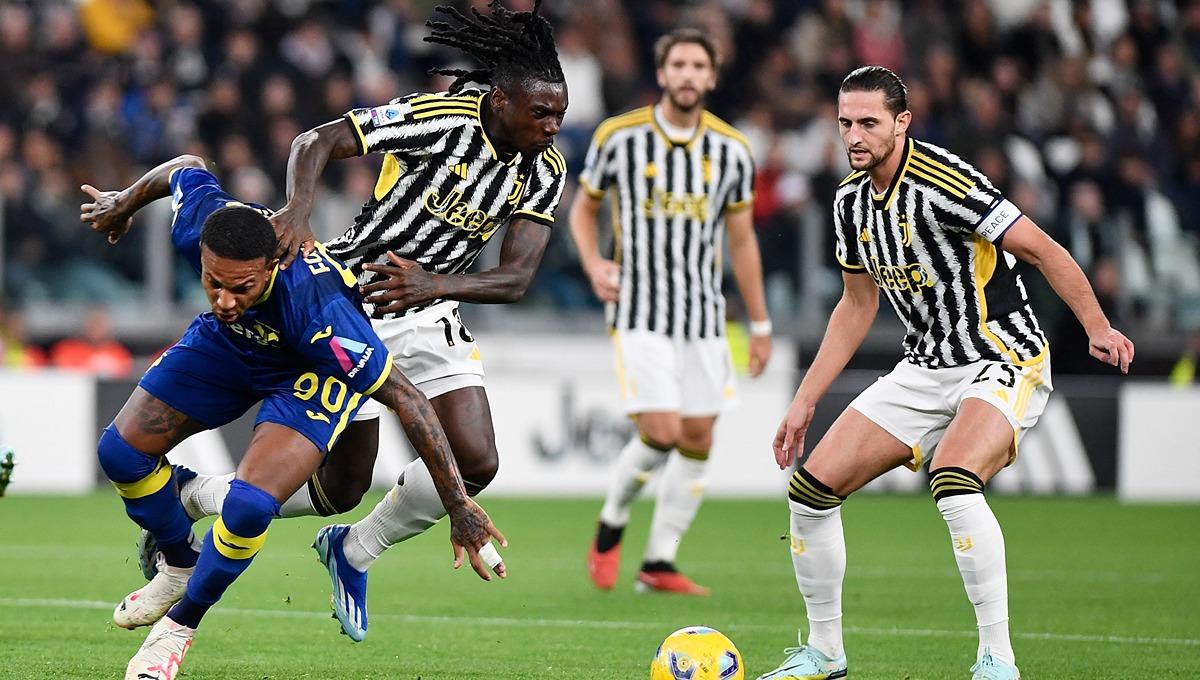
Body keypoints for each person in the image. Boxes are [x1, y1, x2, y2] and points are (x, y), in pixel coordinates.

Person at [172, 0, 568, 642]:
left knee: (477, 460)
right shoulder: (441, 118)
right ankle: (200, 496)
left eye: (560, 114)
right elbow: (317, 140)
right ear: (499, 101)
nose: (553, 127)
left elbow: (517, 277)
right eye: (541, 112)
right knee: (344, 481)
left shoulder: (545, 170)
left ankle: (354, 552)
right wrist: (299, 209)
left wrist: (433, 284)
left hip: (429, 306)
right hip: (348, 297)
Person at [756, 66, 1134, 680]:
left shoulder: (945, 180)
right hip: (925, 366)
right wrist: (804, 401)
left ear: (902, 122)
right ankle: (824, 654)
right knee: (811, 492)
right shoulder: (850, 201)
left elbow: (1041, 248)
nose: (854, 135)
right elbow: (856, 306)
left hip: (999, 356)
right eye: (846, 122)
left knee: (953, 477)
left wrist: (1098, 326)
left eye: (869, 123)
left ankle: (997, 659)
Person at [80, 154, 504, 680]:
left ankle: (178, 629)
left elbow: (409, 398)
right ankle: (178, 561)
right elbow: (184, 168)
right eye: (214, 282)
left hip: (306, 372)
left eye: (242, 287)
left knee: (252, 507)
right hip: (228, 348)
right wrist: (124, 203)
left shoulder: (324, 311)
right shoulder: (205, 224)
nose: (226, 298)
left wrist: (457, 502)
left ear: (275, 266)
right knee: (119, 454)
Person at [570, 28, 772, 596]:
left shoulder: (732, 150)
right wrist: (592, 263)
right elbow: (583, 212)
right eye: (677, 64)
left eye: (697, 66)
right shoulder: (620, 137)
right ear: (662, 74)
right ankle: (611, 524)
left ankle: (658, 561)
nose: (687, 74)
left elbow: (741, 242)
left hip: (704, 316)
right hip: (638, 310)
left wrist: (759, 324)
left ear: (712, 77)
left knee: (698, 437)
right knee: (660, 431)